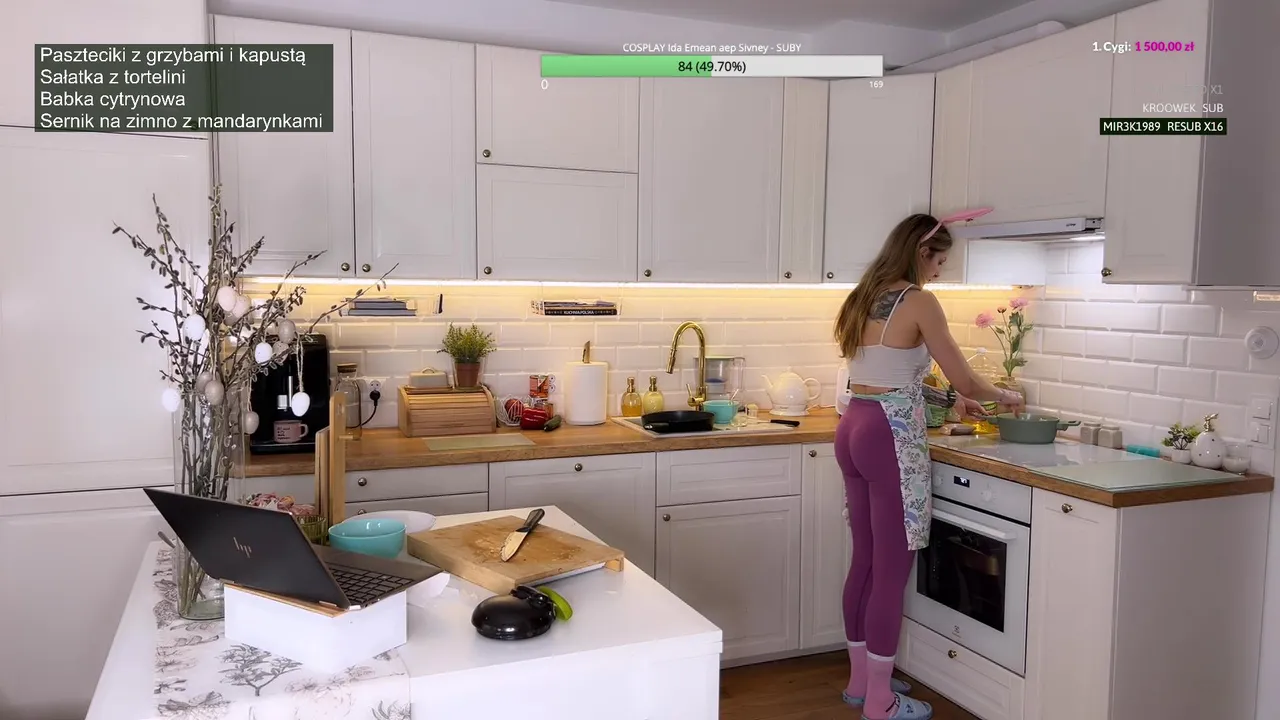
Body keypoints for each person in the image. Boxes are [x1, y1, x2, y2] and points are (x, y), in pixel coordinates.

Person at [833, 213, 1023, 720]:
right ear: (922, 253)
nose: (940, 271)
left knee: (865, 560)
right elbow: (967, 379)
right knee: (892, 570)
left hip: (855, 425)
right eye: (940, 261)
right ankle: (881, 702)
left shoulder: (863, 295)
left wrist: (950, 401)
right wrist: (1006, 396)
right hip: (889, 435)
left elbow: (883, 374)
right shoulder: (919, 301)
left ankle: (860, 682)